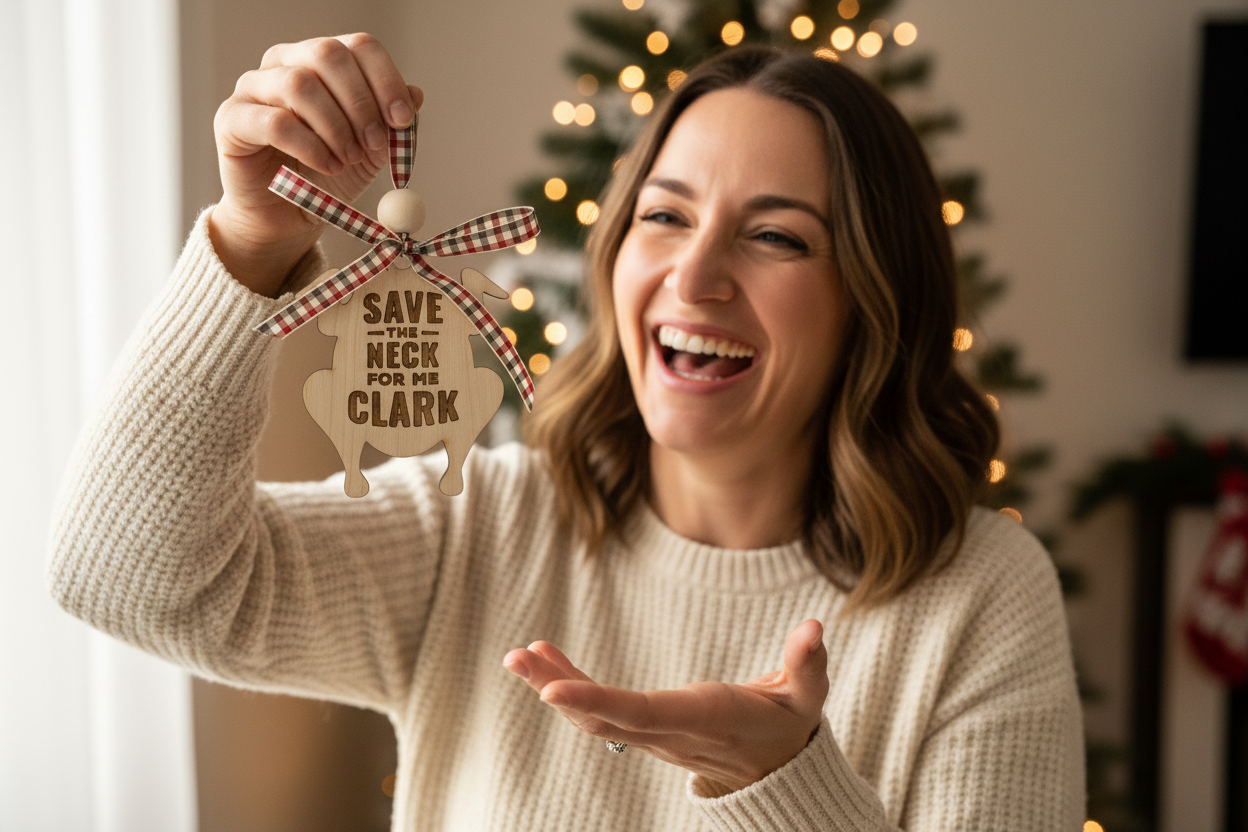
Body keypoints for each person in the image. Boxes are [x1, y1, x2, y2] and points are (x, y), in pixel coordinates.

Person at [48, 33, 1085, 831]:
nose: (694, 275)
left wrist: (782, 786)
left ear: (875, 294)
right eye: (664, 216)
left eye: (776, 236)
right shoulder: (482, 524)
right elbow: (127, 576)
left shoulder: (981, 596)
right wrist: (252, 240)